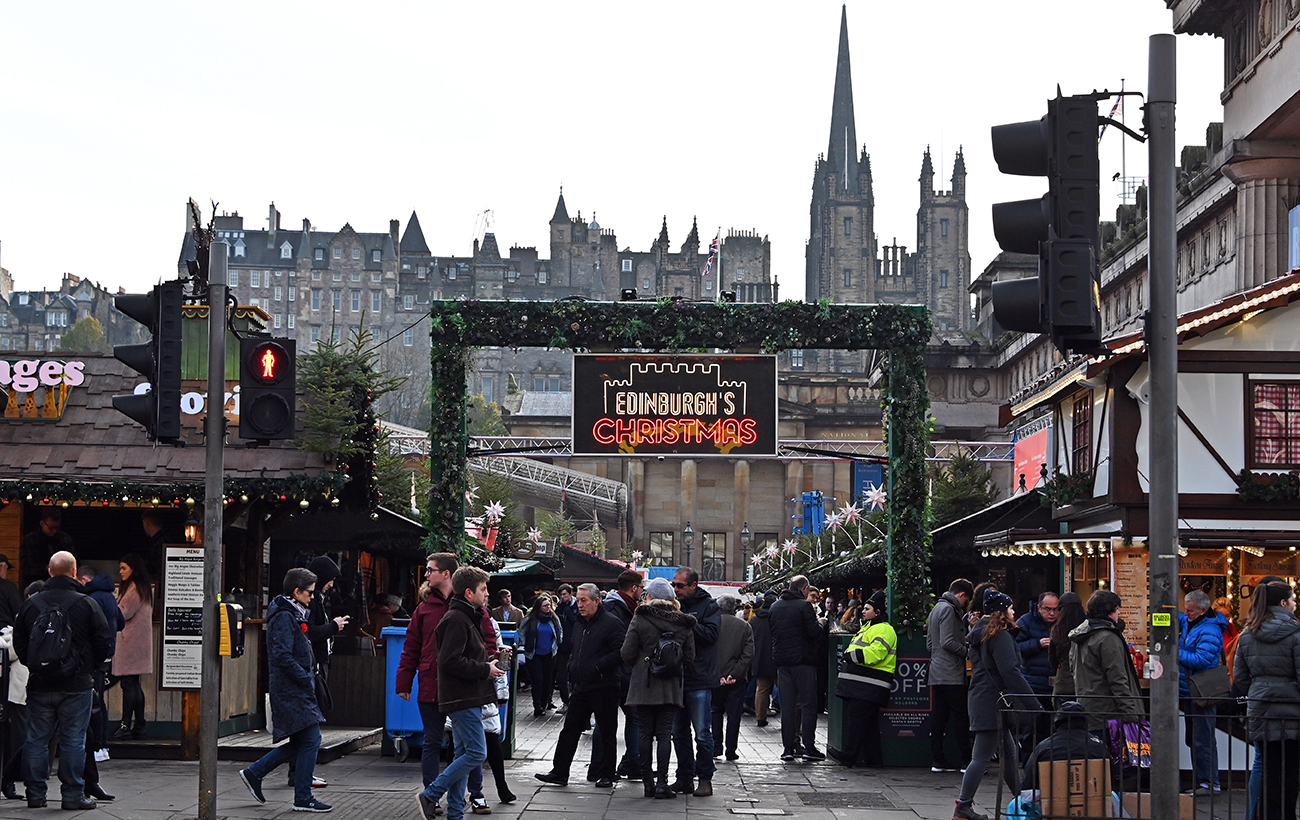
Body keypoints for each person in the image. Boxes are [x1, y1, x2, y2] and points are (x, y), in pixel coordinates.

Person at [14, 551, 112, 811]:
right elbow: (104, 640)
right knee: (73, 740)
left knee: (36, 739)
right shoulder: (86, 604)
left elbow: (20, 642)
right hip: (76, 684)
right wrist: (88, 667)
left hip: (40, 684)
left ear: (49, 571)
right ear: (74, 572)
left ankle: (35, 794)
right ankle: (72, 795)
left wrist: (35, 665)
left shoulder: (31, 604)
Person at [415, 566, 505, 820]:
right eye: (483, 589)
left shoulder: (467, 616)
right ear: (468, 592)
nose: (487, 594)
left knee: (463, 754)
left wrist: (488, 661)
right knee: (477, 753)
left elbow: (460, 656)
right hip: (461, 697)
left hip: (467, 695)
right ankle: (431, 794)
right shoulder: (456, 619)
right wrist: (484, 669)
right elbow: (449, 661)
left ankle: (455, 813)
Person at [238, 568, 331, 813]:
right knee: (311, 740)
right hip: (292, 690)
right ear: (296, 592)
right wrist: (304, 677)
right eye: (309, 592)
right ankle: (303, 796)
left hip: (294, 688)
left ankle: (255, 773)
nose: (313, 596)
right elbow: (281, 655)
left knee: (302, 741)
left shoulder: (291, 613)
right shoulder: (284, 616)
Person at [534, 583, 627, 788]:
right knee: (570, 729)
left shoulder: (612, 623)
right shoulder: (580, 622)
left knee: (606, 731)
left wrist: (598, 667)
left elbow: (621, 652)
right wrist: (572, 665)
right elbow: (575, 647)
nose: (580, 605)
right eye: (578, 600)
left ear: (597, 601)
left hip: (604, 685)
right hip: (581, 685)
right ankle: (559, 772)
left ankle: (607, 773)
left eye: (584, 600)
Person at [955, 590, 1038, 820]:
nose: (1014, 611)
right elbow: (1010, 671)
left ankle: (1021, 800)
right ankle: (963, 806)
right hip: (992, 702)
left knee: (1009, 755)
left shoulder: (982, 633)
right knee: (980, 757)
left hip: (986, 699)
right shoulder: (999, 637)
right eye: (1010, 608)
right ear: (1001, 612)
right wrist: (1032, 703)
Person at [622, 577, 696, 799]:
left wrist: (642, 662)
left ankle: (648, 783)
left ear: (651, 596)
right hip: (671, 685)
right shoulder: (684, 623)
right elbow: (689, 657)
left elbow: (626, 653)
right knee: (664, 734)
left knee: (645, 733)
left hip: (643, 684)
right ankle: (663, 783)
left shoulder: (640, 618)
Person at [1233, 581, 1300, 820]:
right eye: (1293, 600)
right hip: (1291, 712)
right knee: (1290, 769)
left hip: (1261, 710)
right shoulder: (1295, 633)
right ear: (1283, 603)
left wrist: (1259, 691)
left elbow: (1240, 677)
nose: (1294, 604)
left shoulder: (1247, 634)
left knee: (1268, 768)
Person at [397, 553, 459, 798]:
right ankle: (431, 795)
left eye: (430, 570)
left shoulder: (465, 604)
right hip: (430, 682)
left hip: (459, 685)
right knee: (432, 741)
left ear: (446, 573)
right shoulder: (423, 608)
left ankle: (467, 794)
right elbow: (411, 647)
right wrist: (404, 682)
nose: (425, 574)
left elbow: (486, 639)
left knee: (463, 744)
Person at [828, 590, 896, 768]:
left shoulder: (884, 629)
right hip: (866, 686)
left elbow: (877, 652)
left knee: (857, 722)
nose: (863, 611)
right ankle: (874, 759)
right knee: (869, 725)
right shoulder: (871, 628)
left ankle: (848, 756)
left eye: (867, 609)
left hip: (868, 685)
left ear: (878, 612)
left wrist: (852, 656)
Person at [670, 566, 721, 795]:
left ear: (693, 585)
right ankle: (684, 777)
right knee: (678, 732)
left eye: (680, 585)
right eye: (674, 585)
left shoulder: (709, 606)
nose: (676, 589)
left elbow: (711, 635)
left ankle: (705, 778)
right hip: (676, 677)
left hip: (699, 678)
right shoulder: (674, 605)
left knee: (702, 733)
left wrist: (687, 622)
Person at [76, 564, 123, 803]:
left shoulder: (89, 599)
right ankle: (100, 744)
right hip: (105, 657)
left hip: (88, 660)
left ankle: (96, 746)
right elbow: (120, 623)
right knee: (97, 702)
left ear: (84, 579)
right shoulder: (109, 596)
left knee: (88, 710)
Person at [1069, 590, 1143, 736]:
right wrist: (1131, 713)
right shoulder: (1108, 638)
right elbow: (1117, 678)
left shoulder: (1081, 635)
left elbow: (1073, 667)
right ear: (1109, 612)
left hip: (1089, 707)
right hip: (1110, 714)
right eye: (1117, 609)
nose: (1119, 613)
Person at [770, 574, 824, 764]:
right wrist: (821, 623)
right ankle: (809, 747)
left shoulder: (775, 607)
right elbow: (813, 632)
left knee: (787, 707)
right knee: (808, 705)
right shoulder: (804, 606)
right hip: (803, 662)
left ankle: (788, 748)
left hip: (783, 663)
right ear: (804, 589)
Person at [1179, 589, 1227, 794]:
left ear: (1203, 610)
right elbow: (1177, 616)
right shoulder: (1192, 622)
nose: (1186, 613)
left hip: (1202, 691)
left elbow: (1202, 660)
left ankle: (1209, 782)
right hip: (1192, 691)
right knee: (1195, 738)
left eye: (1190, 610)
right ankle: (1203, 781)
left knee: (1203, 739)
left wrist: (1173, 652)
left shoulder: (1210, 630)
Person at [597, 569, 643, 780]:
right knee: (607, 721)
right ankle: (600, 766)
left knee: (631, 718)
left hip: (625, 673)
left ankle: (632, 763)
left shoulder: (628, 607)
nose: (642, 591)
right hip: (615, 673)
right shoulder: (616, 608)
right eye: (641, 588)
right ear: (633, 588)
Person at [1018, 701, 1119, 795]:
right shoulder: (1099, 745)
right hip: (1094, 800)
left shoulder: (1043, 747)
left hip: (1050, 802)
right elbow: (1111, 778)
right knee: (1114, 796)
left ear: (1057, 722)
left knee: (1017, 802)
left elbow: (1028, 783)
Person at [927, 578, 974, 773]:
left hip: (937, 670)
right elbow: (947, 642)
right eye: (966, 600)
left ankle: (938, 760)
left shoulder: (936, 609)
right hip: (951, 672)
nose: (964, 604)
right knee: (961, 716)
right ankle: (966, 761)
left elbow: (931, 644)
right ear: (961, 595)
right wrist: (966, 651)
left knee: (940, 716)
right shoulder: (948, 609)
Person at [0, 581, 40, 800]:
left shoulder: (26, 617)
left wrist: (5, 639)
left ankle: (16, 772)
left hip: (20, 685)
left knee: (19, 733)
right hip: (39, 685)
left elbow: (13, 652)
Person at [111, 552, 153, 741]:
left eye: (124, 568)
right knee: (134, 684)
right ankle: (140, 724)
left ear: (133, 569)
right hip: (137, 643)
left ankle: (125, 725)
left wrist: (110, 605)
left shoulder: (134, 588)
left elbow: (123, 613)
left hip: (130, 642)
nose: (120, 572)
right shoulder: (142, 587)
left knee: (128, 684)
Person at [710, 594, 754, 762]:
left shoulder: (712, 624)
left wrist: (719, 674)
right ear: (734, 607)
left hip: (716, 677)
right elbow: (748, 654)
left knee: (715, 711)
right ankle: (731, 749)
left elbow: (707, 653)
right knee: (734, 715)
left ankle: (716, 746)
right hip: (737, 679)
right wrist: (734, 673)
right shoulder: (744, 626)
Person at [520, 593, 562, 717]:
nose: (548, 607)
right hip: (534, 654)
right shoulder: (530, 619)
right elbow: (522, 632)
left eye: (549, 605)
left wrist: (557, 644)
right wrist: (526, 644)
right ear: (539, 607)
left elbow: (559, 631)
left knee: (547, 680)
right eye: (545, 606)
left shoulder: (553, 619)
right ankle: (537, 705)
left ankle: (544, 703)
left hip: (549, 653)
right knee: (537, 679)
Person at [19, 509, 74, 588]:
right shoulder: (30, 540)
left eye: (57, 527)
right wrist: (46, 568)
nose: (54, 531)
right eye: (51, 528)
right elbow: (26, 567)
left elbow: (74, 560)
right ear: (42, 523)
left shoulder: (64, 538)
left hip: (62, 584)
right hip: (36, 585)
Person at [1048, 592, 1085, 702]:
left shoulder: (1057, 631)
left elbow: (1052, 659)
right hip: (1086, 683)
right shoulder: (1088, 628)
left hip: (1064, 683)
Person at [750, 590, 778, 727]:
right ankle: (788, 719)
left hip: (760, 658)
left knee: (761, 689)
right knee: (784, 690)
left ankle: (760, 718)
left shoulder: (755, 620)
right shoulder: (776, 619)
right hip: (776, 658)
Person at [554, 584, 578, 709]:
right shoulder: (559, 608)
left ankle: (574, 702)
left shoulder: (576, 606)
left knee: (574, 675)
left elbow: (576, 621)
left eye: (564, 594)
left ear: (570, 593)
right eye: (561, 595)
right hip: (562, 646)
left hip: (574, 646)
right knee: (562, 676)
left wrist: (568, 611)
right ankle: (566, 702)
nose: (562, 597)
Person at [0, 553, 23, 630]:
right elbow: (18, 611)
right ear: (0, 567)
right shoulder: (9, 587)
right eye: (6, 569)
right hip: (4, 630)